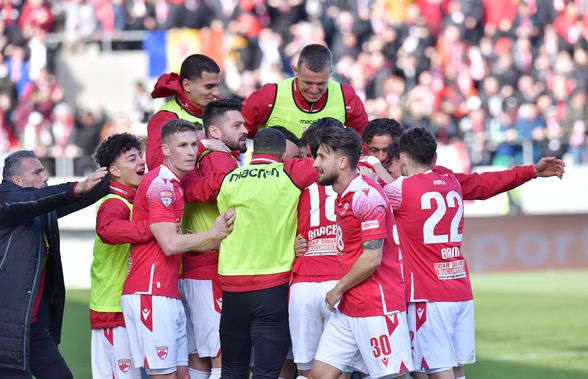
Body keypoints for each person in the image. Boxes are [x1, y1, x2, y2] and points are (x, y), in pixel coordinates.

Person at [381, 130, 564, 379]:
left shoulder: (399, 190)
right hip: (460, 291)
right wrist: (530, 171)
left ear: (402, 157)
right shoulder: (451, 182)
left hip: (429, 295)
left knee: (438, 372)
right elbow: (483, 184)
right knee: (457, 370)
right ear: (435, 158)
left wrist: (367, 165)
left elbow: (369, 196)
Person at [182, 128, 319, 379]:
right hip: (273, 286)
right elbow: (330, 163)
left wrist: (203, 146)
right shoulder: (289, 174)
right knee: (266, 373)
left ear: (255, 151)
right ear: (281, 154)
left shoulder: (229, 178)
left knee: (232, 370)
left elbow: (188, 187)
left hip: (232, 288)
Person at [120, 119, 235, 379]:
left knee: (183, 374)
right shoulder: (162, 186)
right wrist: (213, 233)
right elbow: (170, 245)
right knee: (167, 376)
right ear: (166, 150)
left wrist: (206, 240)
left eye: (194, 144)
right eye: (182, 145)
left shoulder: (174, 185)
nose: (191, 151)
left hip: (167, 291)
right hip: (151, 292)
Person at [310, 127, 413, 379]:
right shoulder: (346, 195)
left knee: (392, 377)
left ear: (342, 162)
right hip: (350, 307)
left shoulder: (366, 198)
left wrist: (337, 289)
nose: (315, 164)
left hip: (377, 307)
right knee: (320, 374)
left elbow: (371, 258)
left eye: (322, 157)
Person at [0, 150, 109, 378]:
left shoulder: (41, 208)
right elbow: (30, 201)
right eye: (37, 172)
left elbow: (82, 196)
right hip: (6, 329)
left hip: (33, 327)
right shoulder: (6, 201)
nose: (45, 177)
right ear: (18, 181)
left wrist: (117, 173)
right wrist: (76, 187)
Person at [179, 99, 246, 379]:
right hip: (211, 269)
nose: (245, 129)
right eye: (237, 125)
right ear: (215, 132)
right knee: (221, 356)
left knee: (199, 356)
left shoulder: (202, 157)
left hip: (194, 268)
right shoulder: (220, 157)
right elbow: (204, 190)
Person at [90, 133, 152, 379]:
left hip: (128, 305)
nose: (141, 163)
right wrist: (155, 228)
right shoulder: (114, 202)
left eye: (140, 156)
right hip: (112, 309)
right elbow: (108, 230)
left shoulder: (134, 200)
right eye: (132, 159)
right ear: (114, 171)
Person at [242, 44, 368, 139]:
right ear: (295, 71)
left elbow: (364, 138)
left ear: (330, 73)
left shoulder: (345, 96)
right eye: (307, 82)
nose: (314, 90)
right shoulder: (269, 96)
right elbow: (238, 133)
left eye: (321, 83)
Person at [146, 54, 221, 170]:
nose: (216, 92)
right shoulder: (165, 117)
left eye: (217, 86)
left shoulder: (219, 105)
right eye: (209, 87)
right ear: (187, 85)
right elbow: (155, 165)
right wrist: (204, 145)